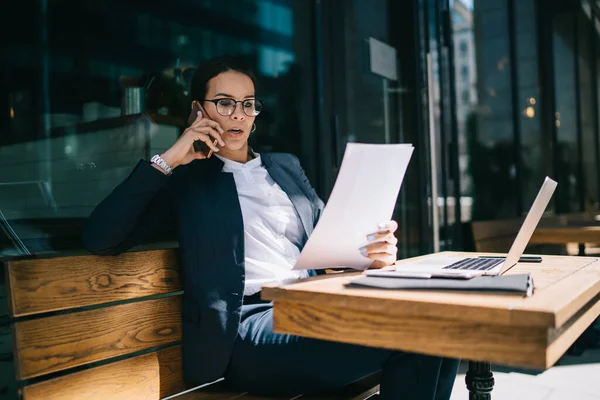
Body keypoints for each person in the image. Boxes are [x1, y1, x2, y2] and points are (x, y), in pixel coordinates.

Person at [82, 55, 459, 400]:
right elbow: (101, 237)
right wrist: (170, 158)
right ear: (198, 110)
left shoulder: (284, 167)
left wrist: (370, 253)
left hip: (314, 305)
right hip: (247, 330)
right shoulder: (186, 180)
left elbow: (329, 242)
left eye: (248, 104)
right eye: (225, 103)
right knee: (415, 334)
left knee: (443, 324)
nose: (238, 115)